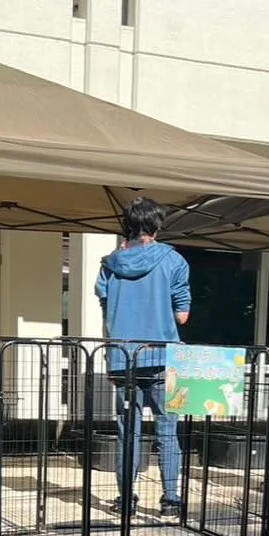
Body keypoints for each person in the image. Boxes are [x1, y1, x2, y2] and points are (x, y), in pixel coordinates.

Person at [96, 198, 191, 518]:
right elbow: (182, 316)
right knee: (167, 430)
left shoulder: (110, 263)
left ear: (129, 226)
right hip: (163, 356)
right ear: (157, 225)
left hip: (123, 357)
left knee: (128, 432)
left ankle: (126, 500)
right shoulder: (174, 261)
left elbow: (105, 307)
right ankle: (171, 500)